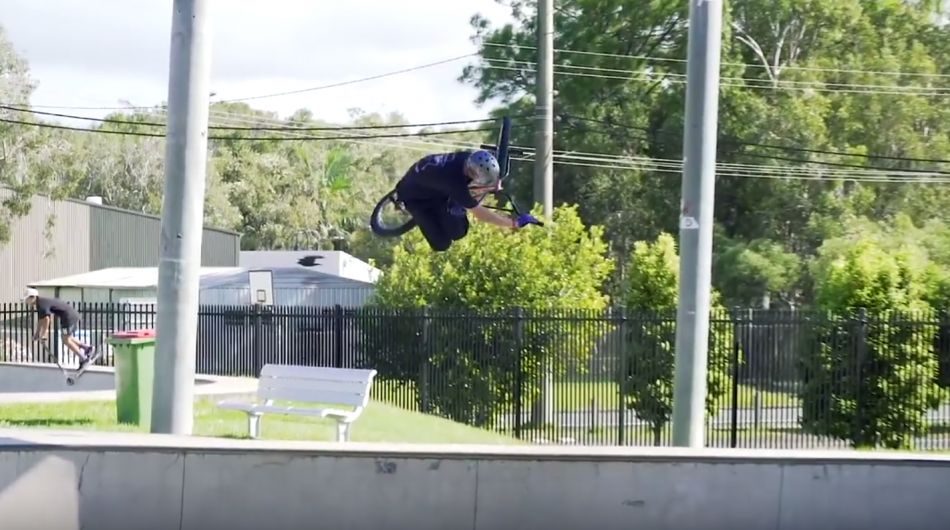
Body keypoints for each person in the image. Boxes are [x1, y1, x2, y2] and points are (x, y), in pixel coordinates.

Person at [394, 149, 539, 251]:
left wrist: (494, 181)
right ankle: (425, 213)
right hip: (416, 198)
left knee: (459, 233)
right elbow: (482, 215)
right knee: (442, 245)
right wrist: (513, 223)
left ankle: (449, 207)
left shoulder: (470, 158)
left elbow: (484, 170)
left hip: (433, 184)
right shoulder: (454, 183)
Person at [21, 288, 101, 370]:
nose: (26, 302)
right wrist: (37, 334)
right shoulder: (41, 303)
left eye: (27, 299)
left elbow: (47, 320)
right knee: (67, 338)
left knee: (65, 340)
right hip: (71, 316)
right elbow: (41, 320)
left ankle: (83, 359)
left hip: (68, 318)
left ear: (32, 297)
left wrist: (44, 334)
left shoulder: (41, 304)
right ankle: (87, 348)